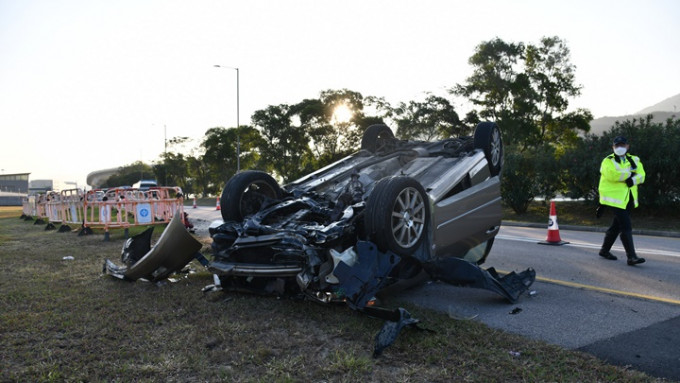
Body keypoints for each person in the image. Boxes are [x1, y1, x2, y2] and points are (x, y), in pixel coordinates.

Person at [597, 135, 646, 265]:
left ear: (627, 146)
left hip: (628, 198)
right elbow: (612, 175)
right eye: (617, 145)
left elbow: (642, 176)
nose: (619, 148)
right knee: (626, 226)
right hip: (614, 199)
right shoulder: (608, 161)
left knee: (616, 226)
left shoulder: (634, 159)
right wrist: (630, 175)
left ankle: (604, 250)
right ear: (613, 147)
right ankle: (632, 257)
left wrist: (632, 180)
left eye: (622, 145)